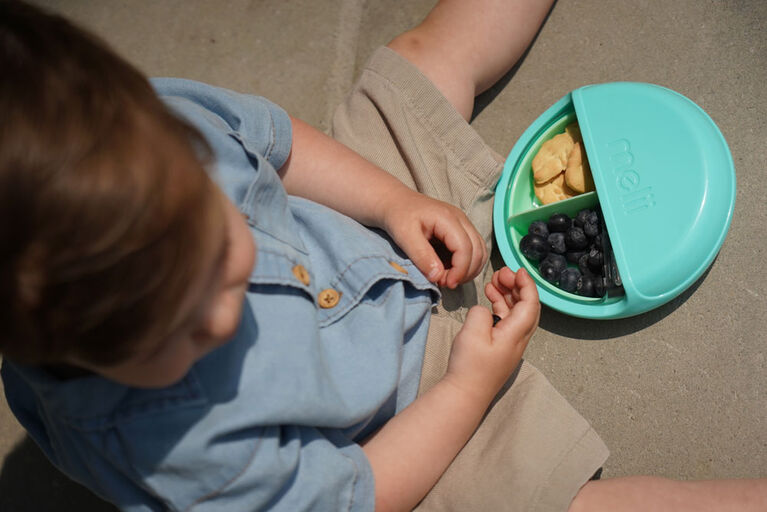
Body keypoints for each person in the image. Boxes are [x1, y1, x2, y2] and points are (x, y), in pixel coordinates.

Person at [0, 1, 764, 511]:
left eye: (211, 229)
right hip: (385, 417)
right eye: (183, 324)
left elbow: (280, 145)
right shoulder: (182, 451)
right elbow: (354, 496)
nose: (230, 281)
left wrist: (394, 203)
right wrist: (467, 388)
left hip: (349, 227)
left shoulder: (153, 133)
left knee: (426, 57)